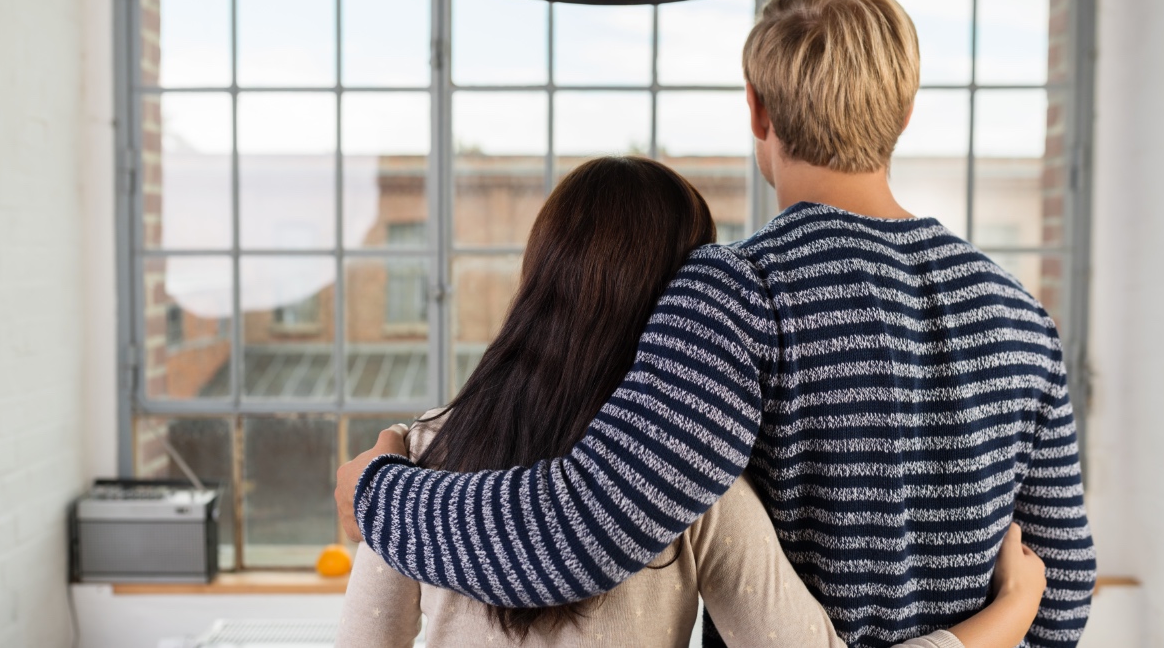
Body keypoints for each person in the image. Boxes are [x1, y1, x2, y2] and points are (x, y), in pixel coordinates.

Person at [335, 0, 1097, 646]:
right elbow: (1056, 603)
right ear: (903, 113)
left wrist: (378, 492)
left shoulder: (737, 293)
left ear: (758, 112)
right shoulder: (1022, 317)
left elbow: (577, 529)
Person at [335, 157, 1048, 648]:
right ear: (677, 304)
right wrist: (1008, 614)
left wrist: (378, 488)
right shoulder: (696, 494)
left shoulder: (414, 456)